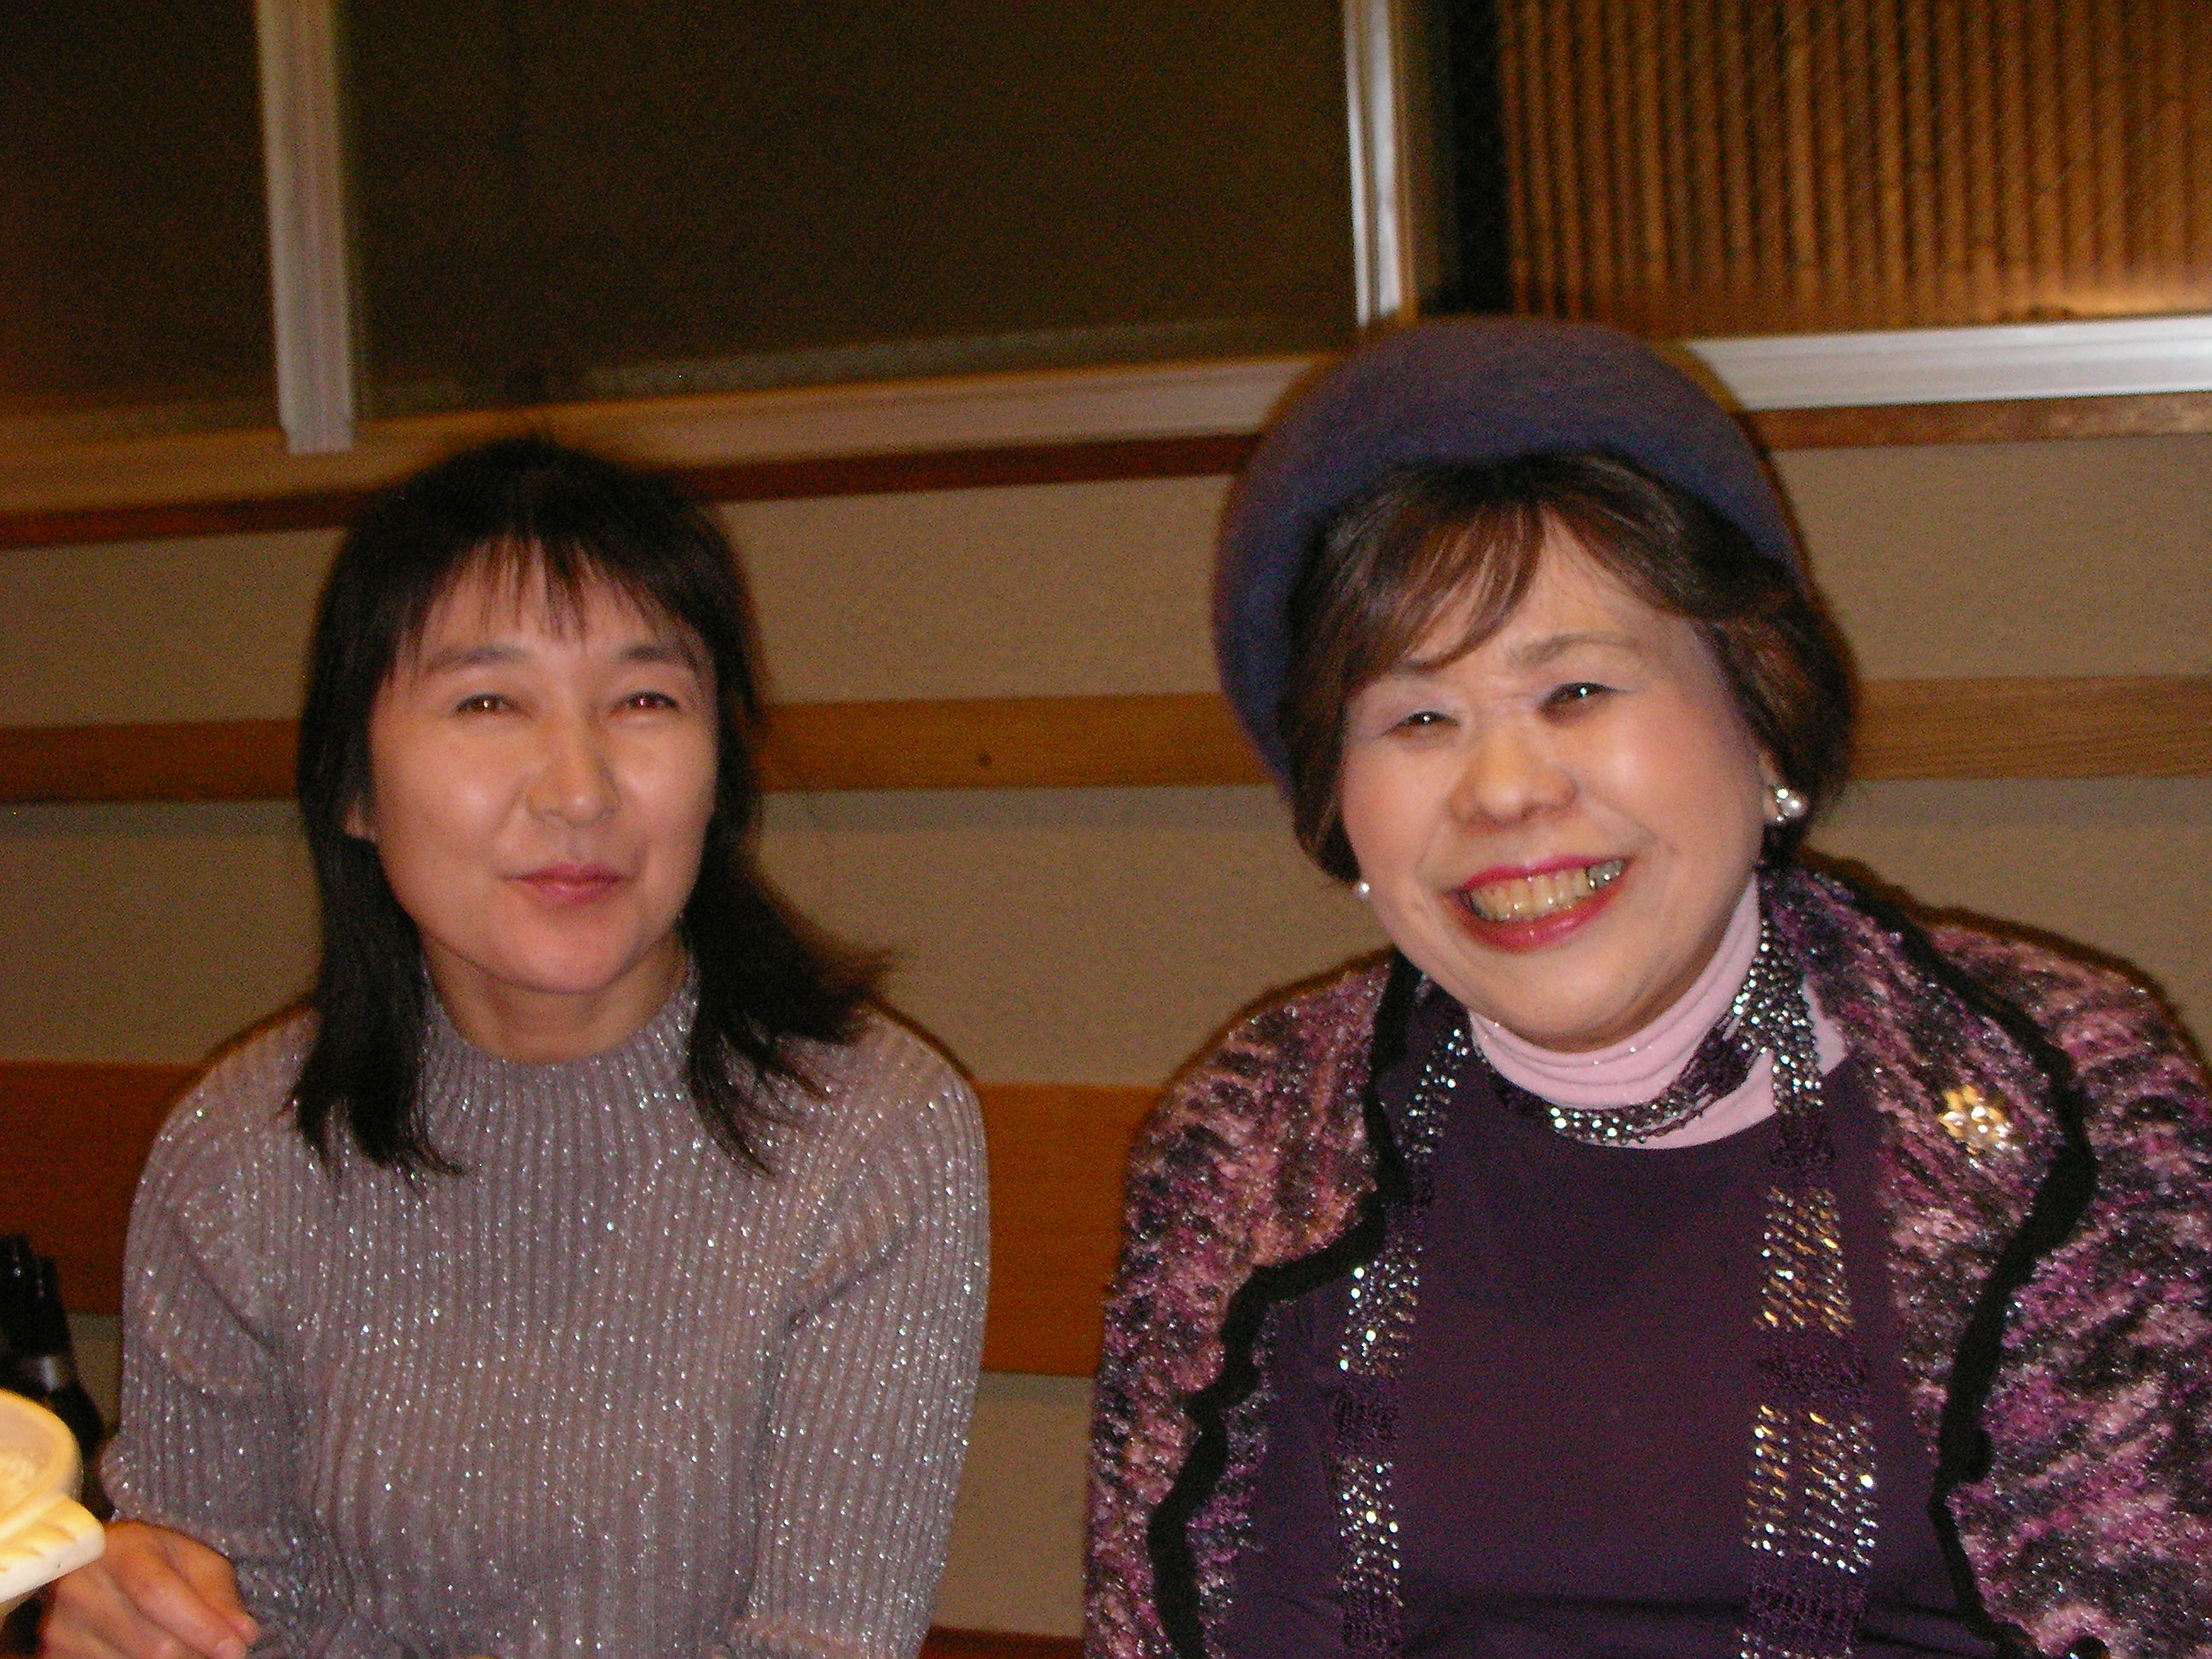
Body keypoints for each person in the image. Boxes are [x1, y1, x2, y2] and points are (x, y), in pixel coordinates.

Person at [1086, 321, 2211, 1659]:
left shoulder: (2066, 1106)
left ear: (1761, 713)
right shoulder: (1247, 1144)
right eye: (1419, 718)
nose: (1505, 790)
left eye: (1575, 688)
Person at [48, 438, 989, 1659]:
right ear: (355, 787)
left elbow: (824, 1641)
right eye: (487, 703)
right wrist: (139, 1622)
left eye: (645, 700)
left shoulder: (869, 1132)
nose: (578, 789)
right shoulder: (240, 1148)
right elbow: (226, 1608)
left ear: (720, 773)